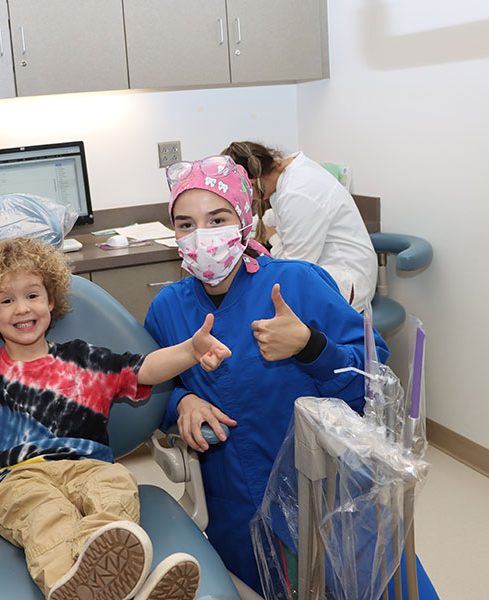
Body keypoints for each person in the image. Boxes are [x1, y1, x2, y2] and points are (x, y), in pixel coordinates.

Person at [0, 237, 231, 600]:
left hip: (90, 465)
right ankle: (72, 586)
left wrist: (189, 351)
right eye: (6, 300)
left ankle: (107, 578)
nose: (22, 308)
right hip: (18, 477)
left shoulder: (83, 358)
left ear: (51, 300)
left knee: (116, 486)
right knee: (46, 513)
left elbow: (146, 368)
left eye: (32, 295)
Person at [143, 155, 388, 593]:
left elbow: (373, 378)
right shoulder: (167, 309)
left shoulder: (297, 282)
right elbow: (151, 387)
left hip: (326, 495)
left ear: (245, 222)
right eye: (185, 224)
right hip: (234, 505)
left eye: (217, 218)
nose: (201, 235)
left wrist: (310, 346)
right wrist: (183, 402)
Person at [222, 141, 377, 312]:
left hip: (346, 284)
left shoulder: (298, 193)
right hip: (338, 269)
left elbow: (293, 269)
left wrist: (273, 237)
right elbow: (275, 217)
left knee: (256, 306)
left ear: (250, 184)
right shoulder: (290, 170)